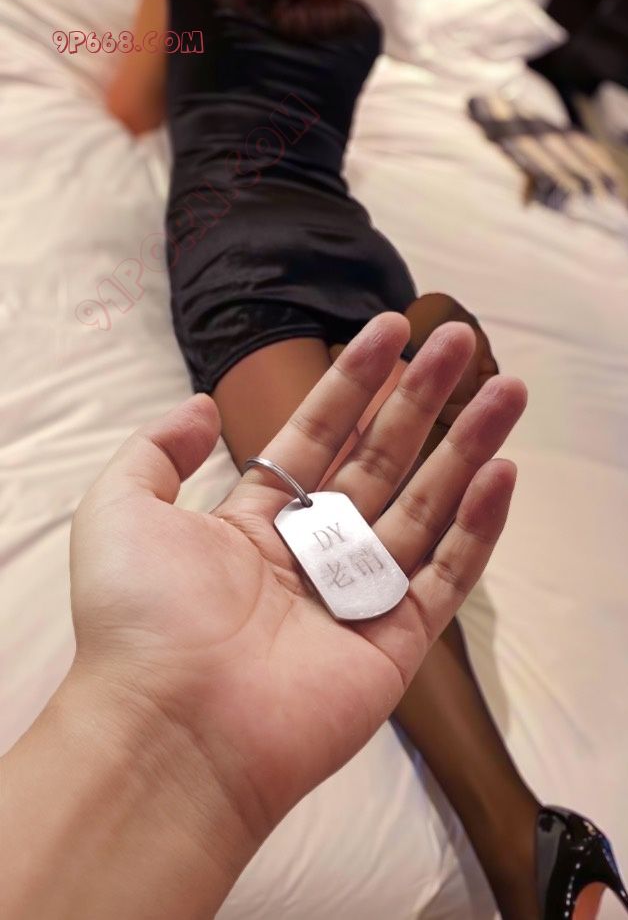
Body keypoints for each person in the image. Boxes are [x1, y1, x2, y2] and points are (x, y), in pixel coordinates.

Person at [105, 0, 628, 918]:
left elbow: (128, 108)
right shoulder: (355, 23)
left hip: (236, 238)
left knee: (328, 525)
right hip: (357, 249)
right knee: (356, 511)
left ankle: (522, 844)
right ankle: (426, 341)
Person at [1, 315, 522, 919]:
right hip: (249, 297)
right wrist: (151, 719)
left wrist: (147, 725)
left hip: (314, 299)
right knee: (402, 347)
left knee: (419, 343)